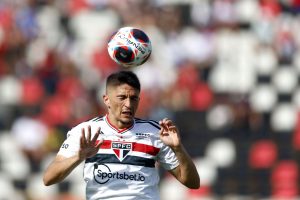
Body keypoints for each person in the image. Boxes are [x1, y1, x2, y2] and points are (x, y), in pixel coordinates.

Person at [43, 70, 200, 200]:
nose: (128, 104)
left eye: (133, 98)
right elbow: (49, 178)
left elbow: (192, 182)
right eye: (122, 97)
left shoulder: (156, 132)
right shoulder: (86, 130)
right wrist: (78, 157)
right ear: (107, 100)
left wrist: (178, 149)